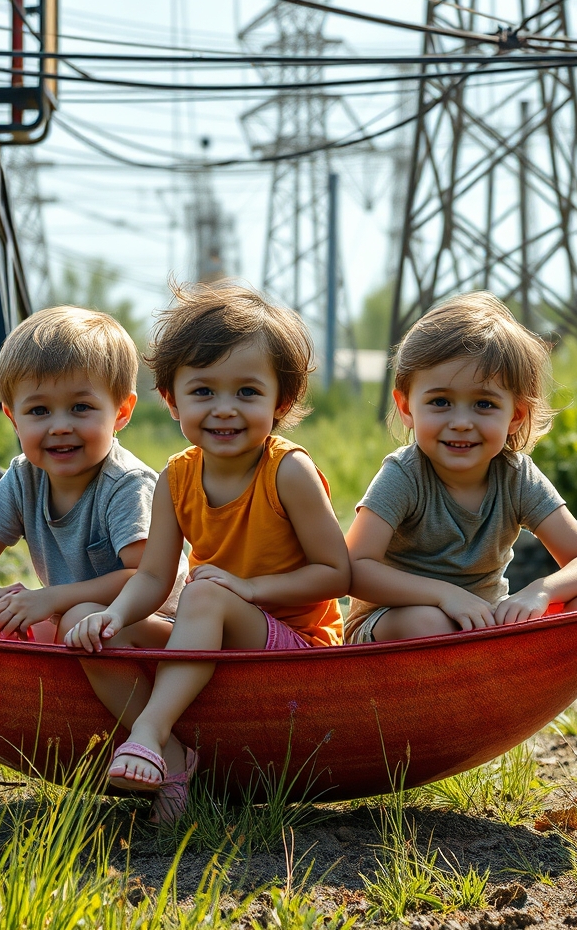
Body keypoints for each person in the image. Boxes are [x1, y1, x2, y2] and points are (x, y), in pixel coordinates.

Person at [62, 282, 350, 822]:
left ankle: (148, 730)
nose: (224, 410)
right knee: (86, 622)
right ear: (171, 399)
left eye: (247, 392)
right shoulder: (176, 475)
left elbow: (336, 573)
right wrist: (113, 615)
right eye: (203, 392)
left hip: (295, 645)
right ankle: (171, 761)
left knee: (206, 593)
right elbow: (151, 578)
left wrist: (247, 590)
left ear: (280, 403)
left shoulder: (288, 471)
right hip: (212, 624)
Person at [0, 306, 183, 643]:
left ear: (121, 411)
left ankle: (62, 689)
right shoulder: (25, 478)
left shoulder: (126, 483)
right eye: (39, 410)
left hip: (145, 627)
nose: (60, 426)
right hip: (67, 623)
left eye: (81, 407)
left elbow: (145, 578)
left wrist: (49, 599)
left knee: (79, 617)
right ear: (14, 418)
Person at [345, 291, 577, 645]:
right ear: (406, 407)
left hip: (483, 623)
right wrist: (443, 594)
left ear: (515, 415)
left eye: (484, 404)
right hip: (393, 623)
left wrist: (540, 591)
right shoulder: (405, 474)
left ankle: (529, 692)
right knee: (431, 622)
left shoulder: (516, 477)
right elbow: (353, 569)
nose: (461, 422)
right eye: (440, 401)